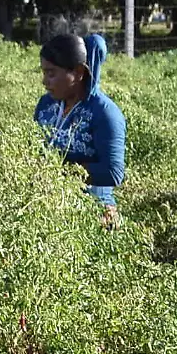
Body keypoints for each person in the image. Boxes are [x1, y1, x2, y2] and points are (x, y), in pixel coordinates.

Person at [36, 32, 126, 221]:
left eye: (51, 73)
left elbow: (113, 172)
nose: (45, 81)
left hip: (92, 214)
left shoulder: (104, 113)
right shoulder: (46, 105)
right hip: (48, 207)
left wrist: (56, 171)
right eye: (44, 73)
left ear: (78, 73)